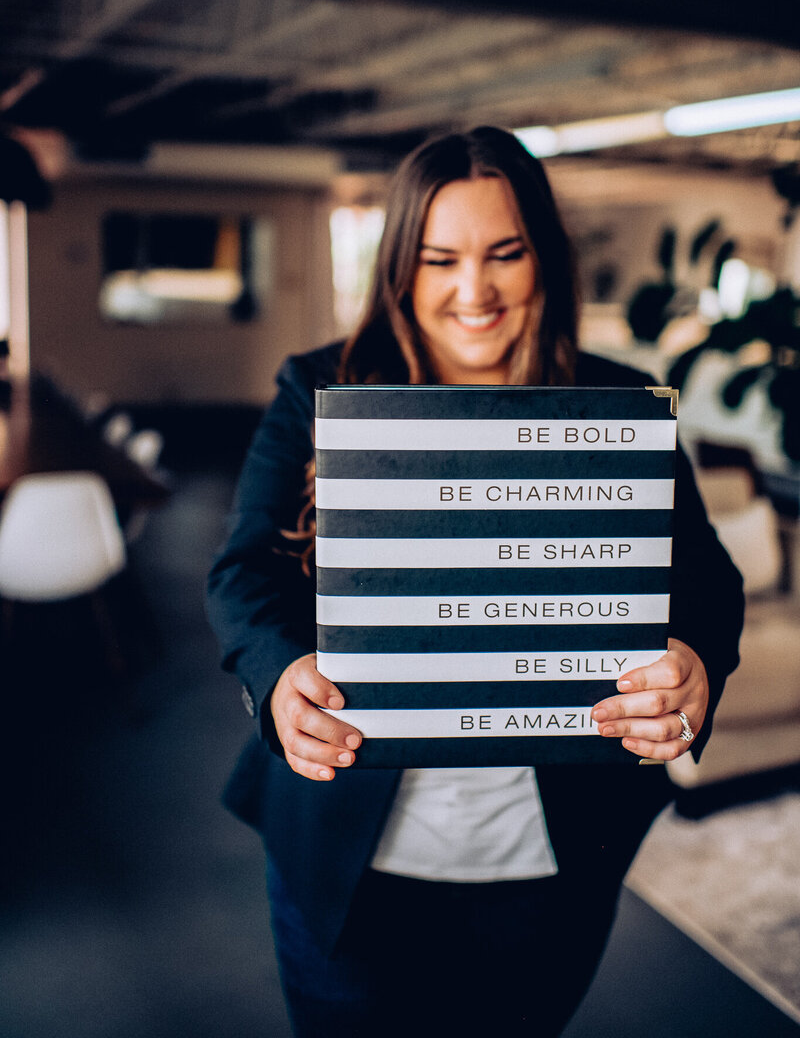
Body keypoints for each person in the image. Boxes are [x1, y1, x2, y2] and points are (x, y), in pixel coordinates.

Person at [207, 126, 743, 1038]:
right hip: (343, 850)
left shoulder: (618, 403)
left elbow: (705, 579)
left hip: (549, 859)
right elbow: (242, 570)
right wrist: (280, 668)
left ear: (544, 257)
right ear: (400, 269)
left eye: (505, 254)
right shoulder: (315, 390)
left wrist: (691, 655)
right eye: (440, 259)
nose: (474, 292)